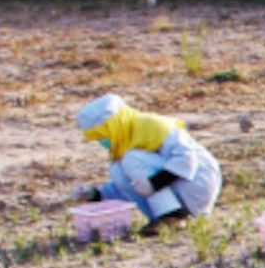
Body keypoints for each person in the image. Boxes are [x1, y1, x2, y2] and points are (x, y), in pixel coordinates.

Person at [73, 94, 222, 234]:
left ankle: (172, 217)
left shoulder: (152, 126)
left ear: (112, 126)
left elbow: (186, 158)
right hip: (179, 190)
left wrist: (155, 183)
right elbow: (131, 185)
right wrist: (96, 194)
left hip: (198, 184)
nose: (101, 141)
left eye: (102, 136)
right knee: (117, 169)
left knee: (131, 159)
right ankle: (162, 217)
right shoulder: (125, 140)